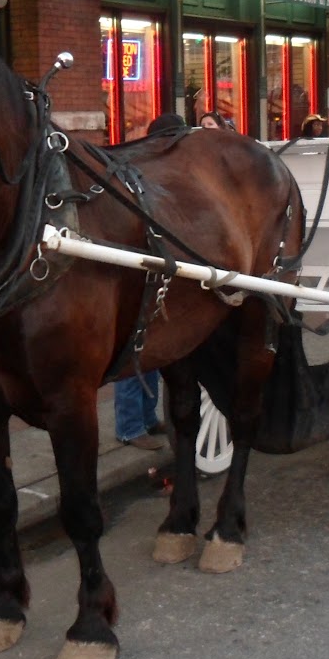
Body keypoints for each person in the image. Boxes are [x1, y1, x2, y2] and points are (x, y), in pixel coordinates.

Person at [114, 113, 184, 450]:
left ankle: (146, 417)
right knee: (134, 353)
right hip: (137, 273)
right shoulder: (142, 171)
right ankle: (129, 427)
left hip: (154, 271)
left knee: (150, 350)